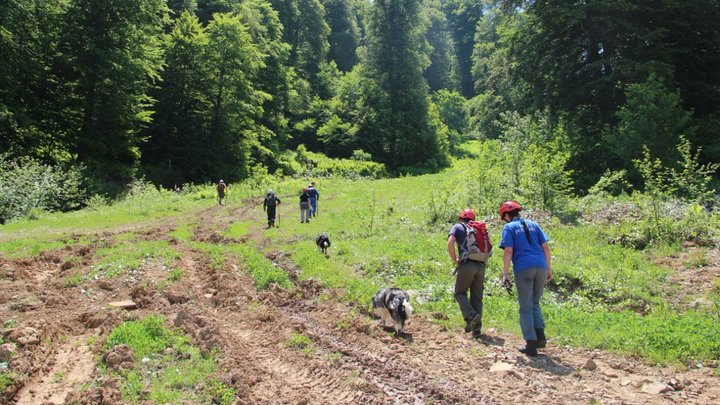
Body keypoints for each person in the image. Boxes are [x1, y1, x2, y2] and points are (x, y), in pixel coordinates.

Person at [499, 200, 552, 357]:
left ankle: (531, 344)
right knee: (535, 302)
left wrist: (505, 273)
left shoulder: (508, 227)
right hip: (541, 266)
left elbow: (508, 250)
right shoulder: (534, 224)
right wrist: (549, 269)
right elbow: (546, 247)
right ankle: (540, 337)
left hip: (524, 268)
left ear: (507, 215)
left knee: (525, 306)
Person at [447, 208, 486, 339]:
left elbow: (450, 242)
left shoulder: (458, 227)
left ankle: (471, 315)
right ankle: (477, 331)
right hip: (481, 265)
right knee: (476, 297)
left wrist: (455, 260)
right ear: (473, 219)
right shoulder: (477, 228)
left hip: (467, 264)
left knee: (459, 293)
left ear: (460, 218)